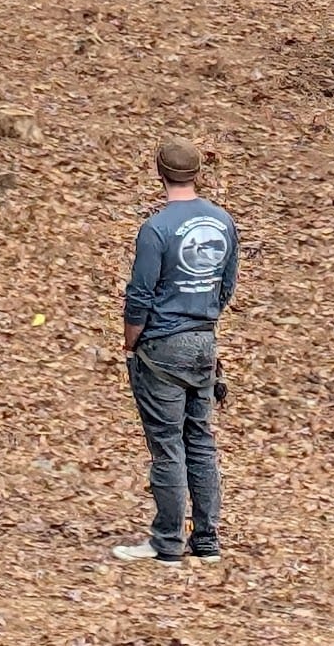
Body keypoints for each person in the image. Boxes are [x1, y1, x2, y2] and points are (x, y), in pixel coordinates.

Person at [116, 138, 239, 565]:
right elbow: (226, 286)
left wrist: (131, 341)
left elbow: (140, 295)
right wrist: (202, 319)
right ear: (198, 173)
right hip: (204, 340)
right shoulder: (223, 222)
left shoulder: (155, 229)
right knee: (200, 441)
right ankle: (206, 540)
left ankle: (167, 543)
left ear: (159, 172)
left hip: (162, 346)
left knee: (168, 445)